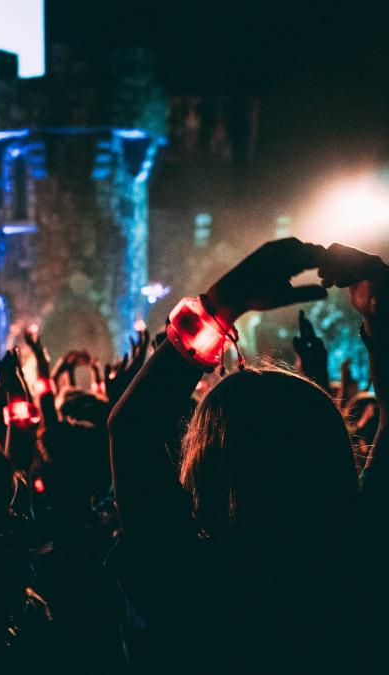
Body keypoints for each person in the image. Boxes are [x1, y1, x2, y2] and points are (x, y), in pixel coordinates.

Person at [108, 239, 387, 670]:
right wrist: (380, 313)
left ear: (207, 464)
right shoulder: (365, 562)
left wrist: (222, 303)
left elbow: (134, 429)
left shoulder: (194, 590)